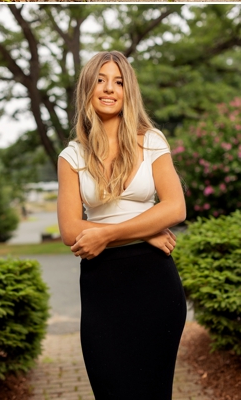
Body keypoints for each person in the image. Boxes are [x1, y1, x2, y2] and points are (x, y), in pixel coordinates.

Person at [57, 51, 187, 399]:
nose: (109, 89)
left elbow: (175, 207)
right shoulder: (72, 156)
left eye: (118, 82)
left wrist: (108, 233)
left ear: (129, 91)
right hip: (103, 286)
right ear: (87, 89)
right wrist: (148, 230)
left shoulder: (152, 141)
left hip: (155, 283)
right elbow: (71, 232)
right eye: (100, 80)